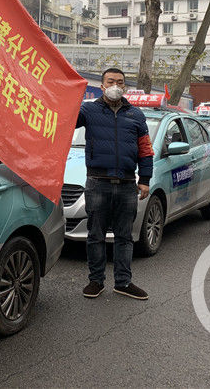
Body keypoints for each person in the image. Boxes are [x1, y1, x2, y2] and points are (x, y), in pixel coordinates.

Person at [75, 68, 154, 300]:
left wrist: (145, 180)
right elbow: (64, 121)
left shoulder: (136, 115)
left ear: (125, 87)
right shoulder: (88, 110)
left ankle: (123, 282)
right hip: (97, 182)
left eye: (120, 82)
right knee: (96, 234)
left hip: (128, 183)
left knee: (124, 236)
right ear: (102, 85)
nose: (115, 85)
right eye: (110, 81)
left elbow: (145, 150)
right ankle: (95, 281)